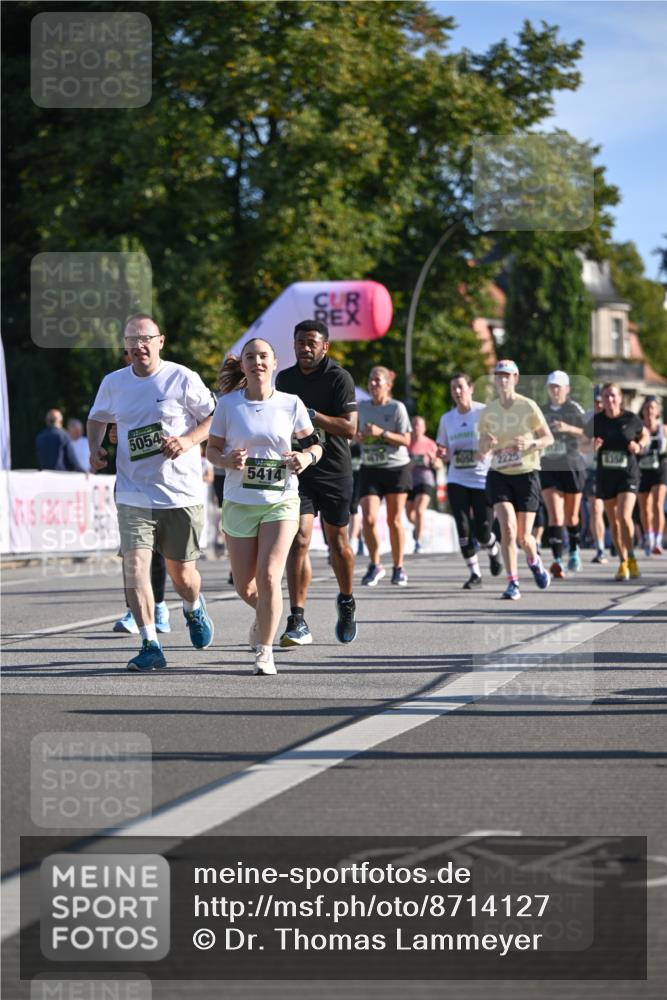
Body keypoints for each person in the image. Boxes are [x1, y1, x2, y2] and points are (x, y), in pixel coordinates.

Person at [88, 314, 216, 672]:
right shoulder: (114, 383)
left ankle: (193, 608)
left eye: (146, 338)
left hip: (180, 493)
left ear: (161, 341)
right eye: (133, 340)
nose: (139, 345)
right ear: (125, 347)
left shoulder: (182, 377)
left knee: (183, 576)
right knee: (135, 567)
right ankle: (150, 643)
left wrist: (188, 440)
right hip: (134, 492)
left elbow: (213, 418)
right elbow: (98, 417)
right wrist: (95, 448)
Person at [207, 338, 323, 675]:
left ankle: (265, 649)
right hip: (240, 501)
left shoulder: (290, 403)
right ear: (242, 365)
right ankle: (265, 617)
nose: (257, 362)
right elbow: (211, 451)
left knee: (270, 575)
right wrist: (227, 459)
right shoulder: (227, 406)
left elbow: (315, 446)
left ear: (274, 363)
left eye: (263, 356)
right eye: (250, 357)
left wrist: (305, 456)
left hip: (281, 500)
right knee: (246, 586)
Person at [275, 319, 358, 645]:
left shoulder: (339, 378)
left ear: (325, 347)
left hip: (336, 471)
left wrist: (310, 414)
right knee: (299, 539)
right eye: (300, 343)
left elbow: (350, 428)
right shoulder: (285, 378)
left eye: (312, 343)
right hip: (300, 469)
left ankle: (347, 600)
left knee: (339, 545)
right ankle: (298, 619)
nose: (305, 348)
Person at [478, 359, 554, 600]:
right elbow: (481, 450)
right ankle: (513, 582)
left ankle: (534, 560)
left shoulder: (528, 406)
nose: (502, 380)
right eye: (499, 376)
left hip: (526, 474)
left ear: (515, 379)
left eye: (507, 376)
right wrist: (486, 444)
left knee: (524, 537)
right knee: (508, 529)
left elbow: (548, 438)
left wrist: (531, 443)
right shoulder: (489, 410)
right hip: (499, 474)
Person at [109, 347, 171, 635]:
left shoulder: (168, 381)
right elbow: (106, 426)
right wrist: (108, 437)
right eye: (126, 351)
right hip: (130, 482)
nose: (130, 355)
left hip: (165, 481)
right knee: (133, 550)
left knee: (160, 552)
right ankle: (135, 611)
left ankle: (159, 605)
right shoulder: (115, 385)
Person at [436, 373, 502, 589]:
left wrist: (489, 445)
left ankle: (493, 548)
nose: (457, 392)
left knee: (483, 532)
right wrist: (442, 454)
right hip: (457, 478)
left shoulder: (484, 412)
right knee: (463, 528)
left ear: (471, 388)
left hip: (482, 478)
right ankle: (475, 574)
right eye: (453, 388)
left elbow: (497, 439)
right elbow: (443, 449)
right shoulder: (447, 419)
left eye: (460, 387)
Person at [584, 382, 648, 581]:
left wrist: (639, 445)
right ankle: (623, 561)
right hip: (606, 476)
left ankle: (632, 557)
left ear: (620, 398)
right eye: (606, 396)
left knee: (624, 515)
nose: (610, 400)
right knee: (613, 521)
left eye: (613, 396)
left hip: (628, 474)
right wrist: (591, 445)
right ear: (601, 400)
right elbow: (582, 443)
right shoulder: (597, 421)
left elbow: (644, 434)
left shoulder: (630, 419)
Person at [357, 366, 412, 586]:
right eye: (370, 380)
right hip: (370, 467)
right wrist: (360, 436)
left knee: (394, 520)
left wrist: (382, 433)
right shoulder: (362, 407)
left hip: (396, 468)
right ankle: (375, 564)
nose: (373, 384)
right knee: (368, 519)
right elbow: (356, 434)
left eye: (378, 380)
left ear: (388, 385)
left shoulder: (397, 408)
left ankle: (398, 567)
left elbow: (407, 440)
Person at [539, 371, 587, 577]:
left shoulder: (574, 409)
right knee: (555, 515)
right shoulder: (540, 411)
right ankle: (557, 560)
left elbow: (588, 435)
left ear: (567, 389)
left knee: (572, 516)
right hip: (549, 467)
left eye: (558, 387)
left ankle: (574, 550)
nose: (555, 390)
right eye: (552, 387)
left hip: (572, 466)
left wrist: (568, 428)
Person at [406, 416, 441, 553]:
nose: (415, 428)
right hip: (409, 482)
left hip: (426, 480)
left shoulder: (430, 444)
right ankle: (420, 527)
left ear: (424, 428)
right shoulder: (406, 443)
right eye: (413, 425)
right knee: (409, 515)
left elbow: (439, 464)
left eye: (418, 425)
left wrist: (434, 462)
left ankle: (418, 542)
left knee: (420, 510)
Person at [637, 396, 667, 555]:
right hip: (642, 471)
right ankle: (648, 537)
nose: (649, 411)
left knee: (657, 504)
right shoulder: (638, 429)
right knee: (645, 507)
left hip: (660, 470)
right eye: (647, 407)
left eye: (653, 408)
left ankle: (657, 540)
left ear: (658, 411)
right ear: (642, 411)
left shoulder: (664, 430)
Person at [582, 390, 609, 563]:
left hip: (614, 471)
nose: (599, 405)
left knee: (614, 512)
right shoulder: (587, 419)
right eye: (596, 402)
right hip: (593, 469)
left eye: (601, 402)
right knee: (596, 509)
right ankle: (600, 548)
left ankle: (621, 545)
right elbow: (579, 445)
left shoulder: (616, 417)